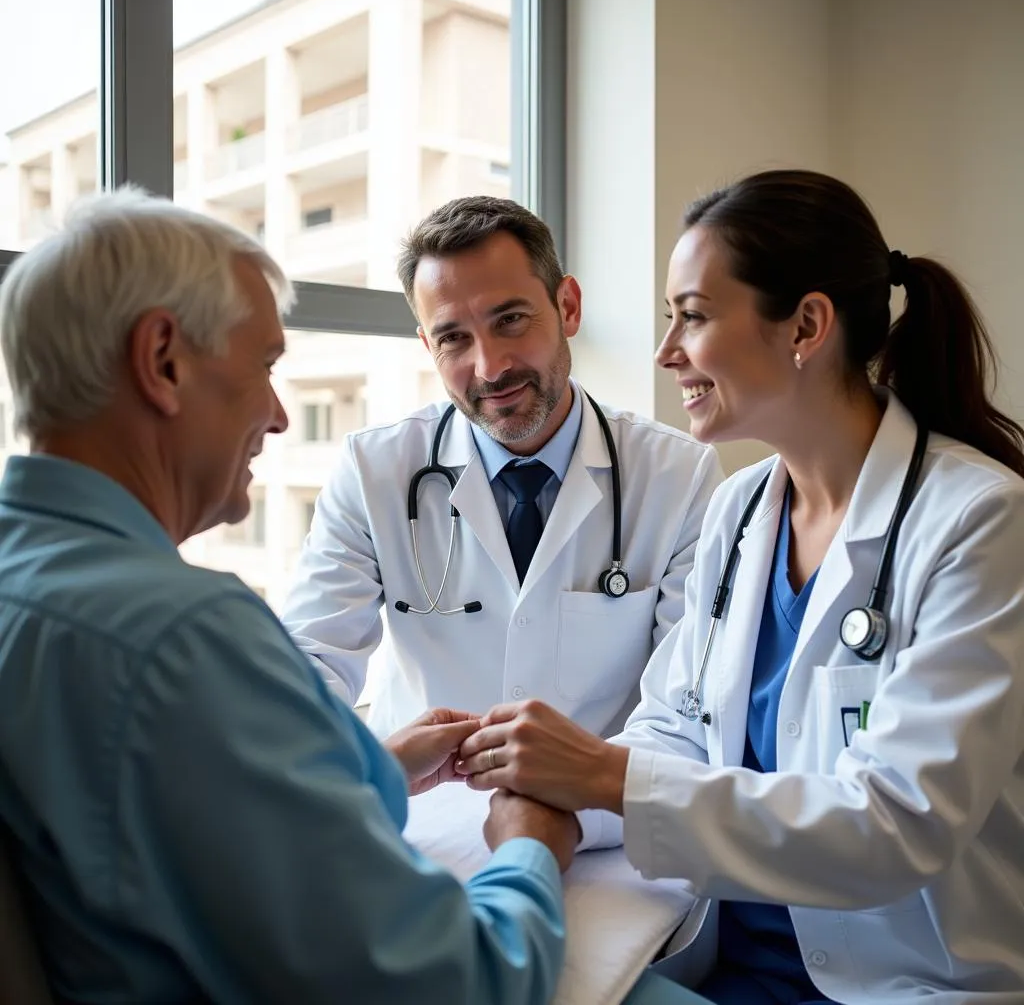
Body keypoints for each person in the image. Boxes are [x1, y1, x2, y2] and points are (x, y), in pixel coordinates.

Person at [0, 189, 582, 1004]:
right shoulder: (185, 638)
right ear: (163, 360)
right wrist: (531, 849)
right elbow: (458, 984)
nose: (277, 417)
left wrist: (364, 767)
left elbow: (171, 816)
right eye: (263, 368)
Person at [455, 170, 1024, 1003]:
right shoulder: (742, 508)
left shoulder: (980, 522)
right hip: (724, 964)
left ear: (806, 325)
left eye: (692, 315)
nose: (666, 351)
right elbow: (675, 732)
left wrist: (602, 778)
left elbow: (893, 827)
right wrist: (546, 794)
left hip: (908, 986)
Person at [281, 196, 723, 738]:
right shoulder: (374, 471)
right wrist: (370, 777)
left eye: (510, 320)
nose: (490, 367)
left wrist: (574, 798)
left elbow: (685, 705)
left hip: (597, 812)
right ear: (427, 346)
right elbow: (307, 672)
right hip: (423, 810)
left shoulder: (679, 475)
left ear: (569, 307)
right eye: (453, 339)